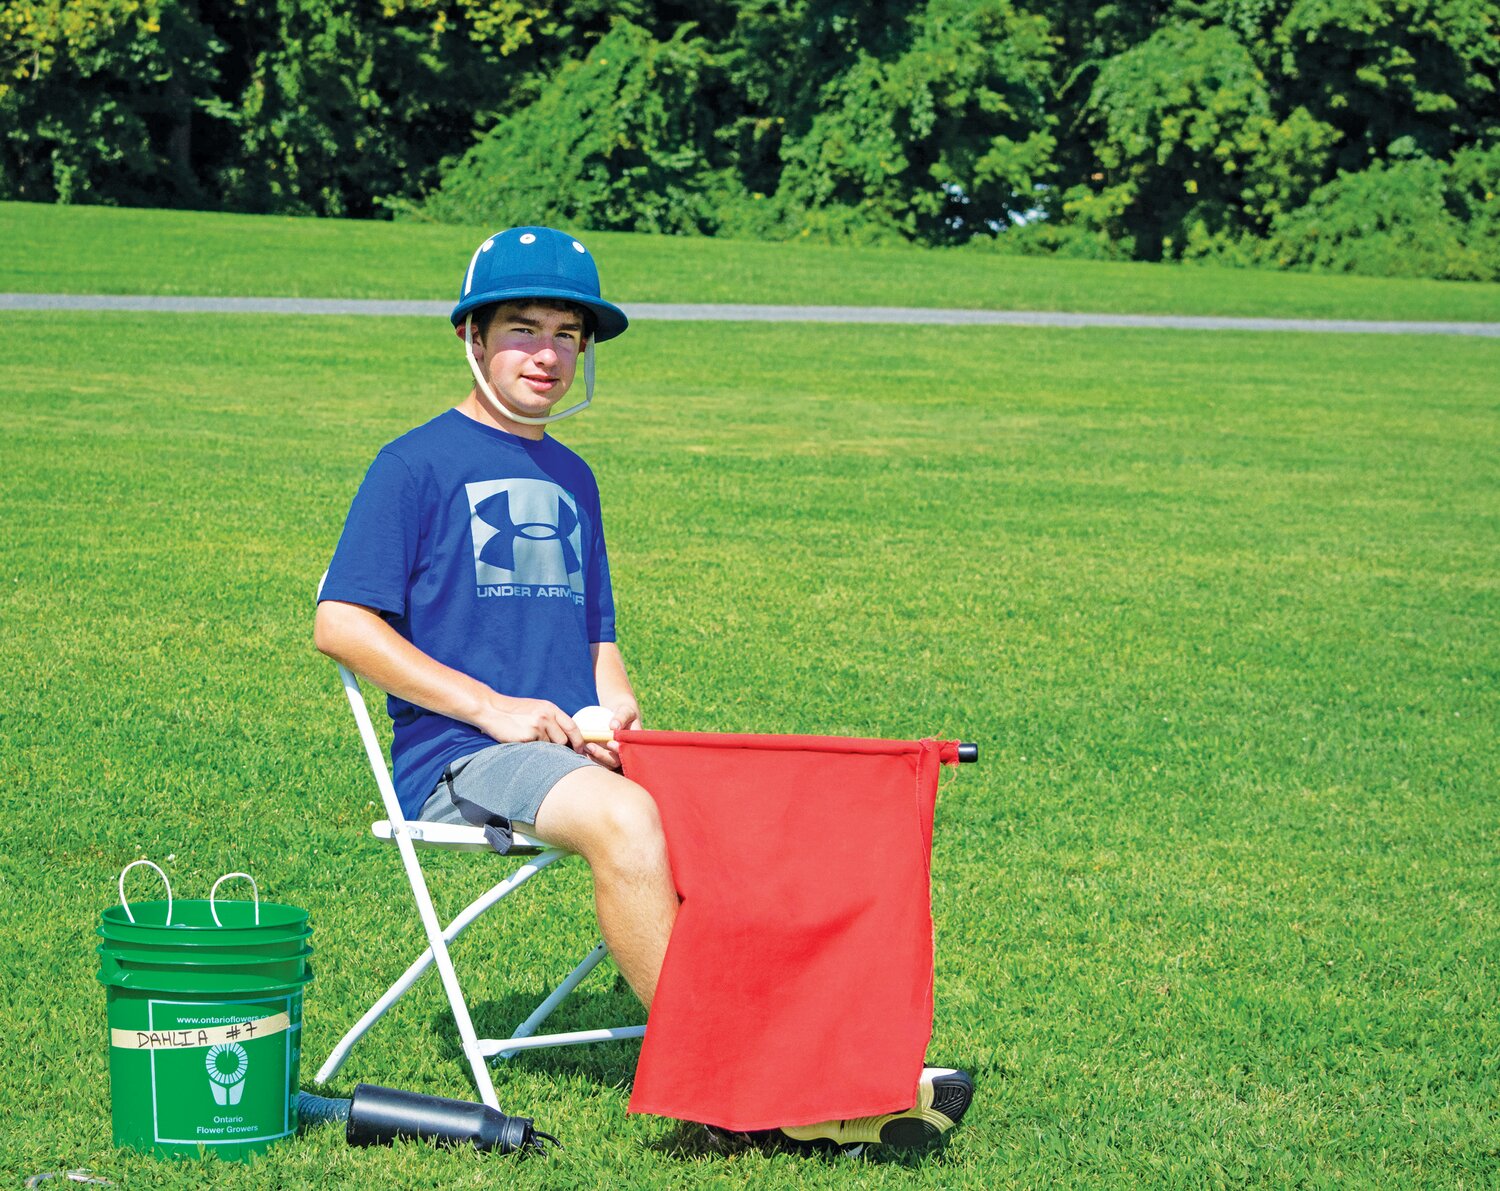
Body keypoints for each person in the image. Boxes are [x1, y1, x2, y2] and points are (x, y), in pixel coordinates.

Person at [314, 225, 972, 1149]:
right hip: (464, 756)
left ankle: (834, 1056)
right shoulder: (414, 465)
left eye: (565, 335)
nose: (545, 353)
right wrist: (494, 709)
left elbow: (598, 638)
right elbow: (339, 623)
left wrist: (614, 707)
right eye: (522, 328)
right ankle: (739, 1085)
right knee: (627, 822)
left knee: (747, 811)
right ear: (472, 336)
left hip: (567, 747)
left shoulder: (572, 475)